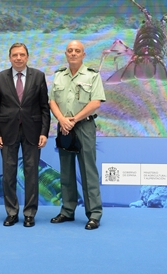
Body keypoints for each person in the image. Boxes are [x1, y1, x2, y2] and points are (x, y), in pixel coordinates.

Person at [0, 43, 50, 227]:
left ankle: (30, 213)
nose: (18, 58)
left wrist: (44, 132)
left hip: (33, 131)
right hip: (7, 132)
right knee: (9, 174)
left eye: (22, 55)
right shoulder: (0, 78)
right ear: (9, 57)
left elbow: (44, 108)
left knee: (31, 174)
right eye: (14, 55)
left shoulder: (38, 76)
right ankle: (12, 212)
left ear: (27, 57)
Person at [49, 40, 105, 230]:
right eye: (70, 51)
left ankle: (94, 214)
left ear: (83, 54)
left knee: (88, 170)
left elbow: (95, 102)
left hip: (83, 127)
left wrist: (73, 120)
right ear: (66, 54)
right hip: (63, 127)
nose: (73, 53)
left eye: (77, 51)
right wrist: (62, 120)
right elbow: (52, 101)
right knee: (66, 171)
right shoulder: (58, 76)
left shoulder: (92, 76)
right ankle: (67, 210)